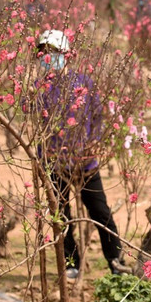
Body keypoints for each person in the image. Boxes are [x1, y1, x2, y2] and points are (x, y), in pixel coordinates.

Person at [34, 29, 125, 279]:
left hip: (84, 162)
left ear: (64, 54)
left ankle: (117, 263)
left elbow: (97, 116)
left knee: (100, 212)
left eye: (52, 52)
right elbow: (30, 113)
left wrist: (94, 143)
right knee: (62, 216)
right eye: (43, 53)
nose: (47, 58)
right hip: (54, 162)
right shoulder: (40, 87)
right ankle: (71, 263)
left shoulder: (84, 82)